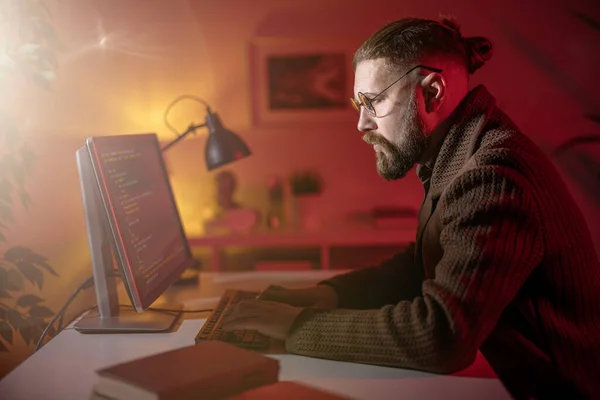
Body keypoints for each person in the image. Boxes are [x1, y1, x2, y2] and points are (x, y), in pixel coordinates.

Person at [221, 16, 600, 399]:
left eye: (373, 102)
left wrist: (297, 327)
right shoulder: (458, 154)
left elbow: (442, 336)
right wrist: (331, 295)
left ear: (432, 92)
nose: (361, 124)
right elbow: (423, 265)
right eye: (359, 103)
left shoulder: (493, 177)